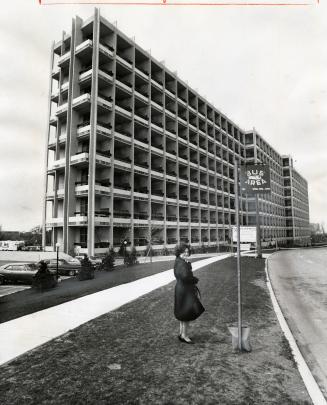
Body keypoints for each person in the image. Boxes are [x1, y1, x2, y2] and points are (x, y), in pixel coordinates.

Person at [174, 243, 205, 344]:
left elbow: (182, 275)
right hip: (185, 290)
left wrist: (187, 263)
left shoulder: (178, 261)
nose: (186, 253)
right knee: (187, 312)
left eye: (187, 252)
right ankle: (185, 335)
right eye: (184, 252)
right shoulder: (182, 263)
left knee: (183, 311)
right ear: (179, 252)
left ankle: (181, 333)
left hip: (180, 288)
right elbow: (186, 277)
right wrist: (194, 279)